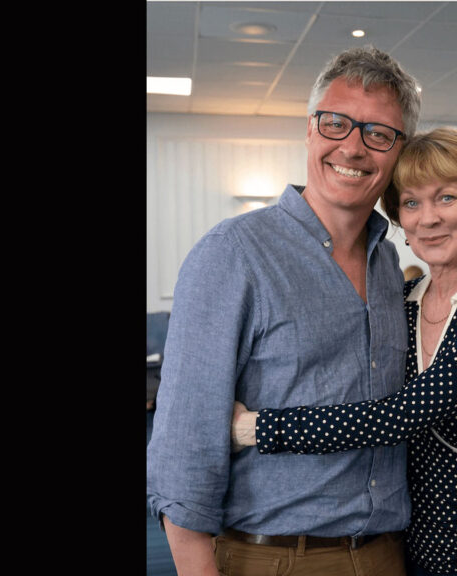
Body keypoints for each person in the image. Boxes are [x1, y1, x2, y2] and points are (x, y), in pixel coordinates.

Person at [147, 45, 422, 576]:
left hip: (387, 552)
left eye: (378, 133)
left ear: (397, 151)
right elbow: (185, 442)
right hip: (271, 557)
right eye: (336, 122)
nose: (354, 147)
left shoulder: (389, 261)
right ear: (310, 130)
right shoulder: (233, 253)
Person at [233, 127, 457, 576]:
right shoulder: (405, 299)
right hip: (413, 546)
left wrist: (258, 428)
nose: (428, 218)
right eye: (411, 202)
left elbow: (401, 414)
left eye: (446, 197)